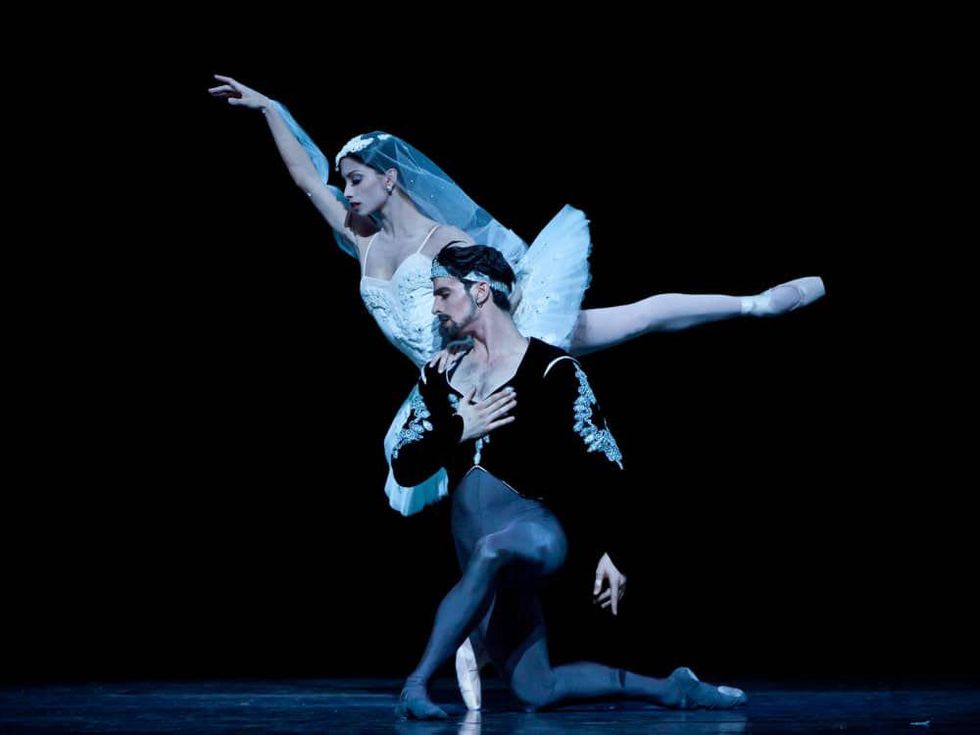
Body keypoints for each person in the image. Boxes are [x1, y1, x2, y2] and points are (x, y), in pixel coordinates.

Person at [208, 75, 823, 708]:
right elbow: (305, 177)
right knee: (453, 484)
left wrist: (511, 347)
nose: (347, 190)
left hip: (496, 343)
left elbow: (498, 283)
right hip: (444, 376)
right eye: (346, 180)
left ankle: (755, 303)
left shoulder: (446, 242)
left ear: (390, 178)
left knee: (629, 319)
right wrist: (270, 109)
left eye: (357, 178)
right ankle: (485, 630)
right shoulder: (358, 235)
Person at [389, 245, 748, 719]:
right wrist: (459, 428)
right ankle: (672, 688)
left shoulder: (553, 370)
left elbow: (606, 464)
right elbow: (405, 466)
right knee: (537, 690)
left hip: (532, 534)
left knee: (493, 550)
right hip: (473, 551)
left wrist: (616, 550)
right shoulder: (440, 374)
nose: (435, 306)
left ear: (481, 292)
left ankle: (416, 685)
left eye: (443, 293)